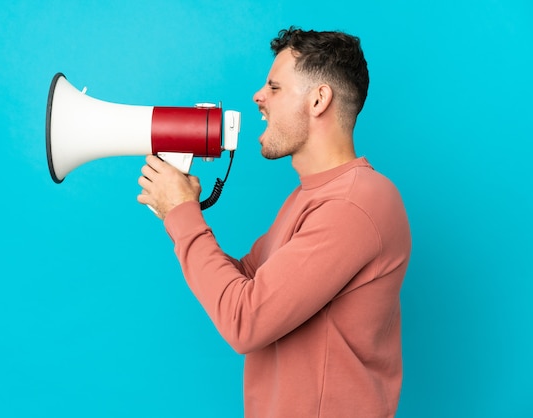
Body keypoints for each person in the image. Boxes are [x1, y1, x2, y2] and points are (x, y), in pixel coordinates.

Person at [137, 27, 412, 418]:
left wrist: (183, 214)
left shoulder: (355, 204)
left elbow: (244, 319)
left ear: (318, 99)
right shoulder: (310, 197)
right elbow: (245, 281)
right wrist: (178, 209)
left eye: (275, 88)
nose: (257, 97)